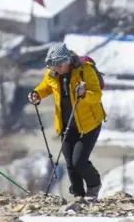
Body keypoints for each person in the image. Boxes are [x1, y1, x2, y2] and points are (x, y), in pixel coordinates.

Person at [29, 42, 105, 201]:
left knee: (79, 161)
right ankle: (78, 196)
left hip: (88, 124)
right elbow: (46, 86)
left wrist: (84, 95)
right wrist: (37, 94)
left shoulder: (85, 70)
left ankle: (94, 184)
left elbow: (97, 95)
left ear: (67, 62)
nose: (54, 70)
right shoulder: (52, 74)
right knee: (70, 163)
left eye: (57, 66)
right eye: (52, 66)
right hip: (66, 125)